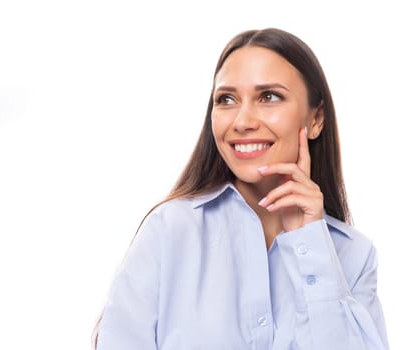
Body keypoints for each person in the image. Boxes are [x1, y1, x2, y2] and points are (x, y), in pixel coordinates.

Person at [94, 27, 389, 350]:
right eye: (227, 99)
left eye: (269, 97)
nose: (242, 120)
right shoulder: (168, 231)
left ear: (316, 119)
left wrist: (310, 245)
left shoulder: (355, 256)